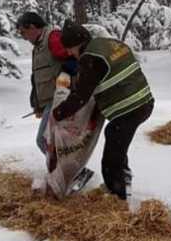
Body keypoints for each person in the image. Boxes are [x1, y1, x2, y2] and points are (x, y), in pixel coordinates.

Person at [52, 20, 154, 201]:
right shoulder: (106, 44)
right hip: (143, 101)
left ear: (78, 43)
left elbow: (81, 96)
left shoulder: (90, 58)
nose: (68, 53)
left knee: (112, 152)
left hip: (131, 107)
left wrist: (59, 112)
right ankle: (123, 178)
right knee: (115, 139)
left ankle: (117, 194)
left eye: (69, 48)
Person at [16, 12, 73, 156]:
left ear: (33, 27)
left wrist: (67, 88)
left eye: (23, 32)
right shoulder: (39, 45)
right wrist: (38, 105)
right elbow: (39, 78)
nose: (23, 37)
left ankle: (73, 173)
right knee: (53, 141)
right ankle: (70, 172)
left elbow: (74, 57)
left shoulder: (52, 38)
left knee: (44, 139)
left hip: (61, 99)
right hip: (51, 101)